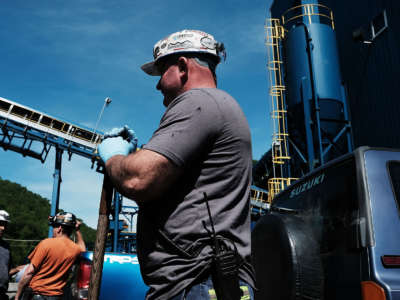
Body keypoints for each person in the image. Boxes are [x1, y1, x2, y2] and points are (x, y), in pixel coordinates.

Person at [98, 29, 255, 300]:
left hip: (197, 281)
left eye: (161, 72)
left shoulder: (199, 102)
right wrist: (138, 154)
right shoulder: (219, 106)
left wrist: (114, 157)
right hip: (211, 280)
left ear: (182, 66)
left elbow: (138, 179)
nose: (158, 84)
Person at [15, 212, 86, 300]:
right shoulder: (75, 249)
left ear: (59, 228)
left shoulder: (46, 243)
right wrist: (78, 230)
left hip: (37, 295)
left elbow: (29, 272)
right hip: (57, 297)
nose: (53, 229)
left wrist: (18, 295)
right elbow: (83, 249)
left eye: (54, 226)